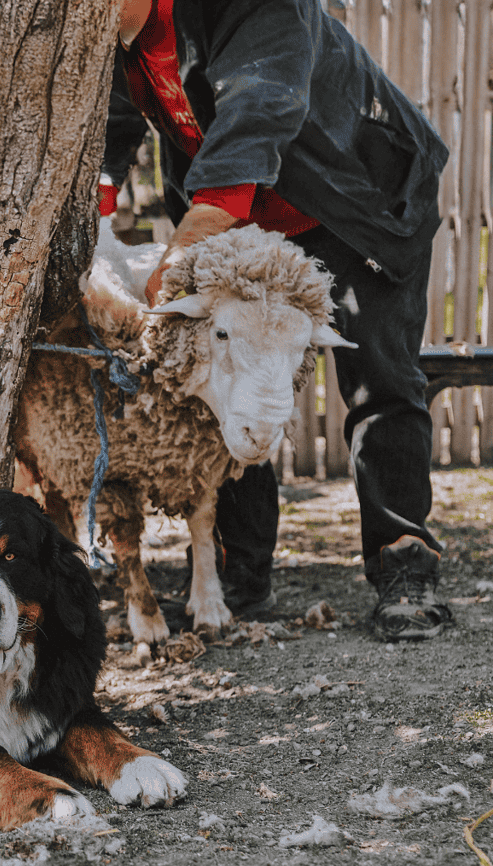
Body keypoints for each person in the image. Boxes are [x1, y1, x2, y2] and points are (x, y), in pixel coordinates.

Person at [99, 0, 453, 641]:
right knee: (228, 372)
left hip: (356, 202)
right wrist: (95, 211)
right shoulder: (120, 38)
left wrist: (194, 239)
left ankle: (404, 560)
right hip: (246, 212)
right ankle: (241, 569)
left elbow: (260, 103)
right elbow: (111, 124)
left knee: (379, 372)